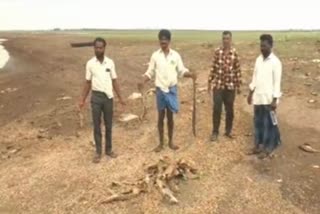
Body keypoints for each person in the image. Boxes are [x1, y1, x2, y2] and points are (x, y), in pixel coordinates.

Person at [138, 29, 197, 152]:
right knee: (160, 117)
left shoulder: (175, 56)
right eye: (161, 42)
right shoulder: (155, 56)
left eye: (165, 42)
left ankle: (170, 142)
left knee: (170, 117)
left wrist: (190, 74)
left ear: (169, 41)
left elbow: (181, 70)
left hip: (171, 90)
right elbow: (150, 72)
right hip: (160, 90)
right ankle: (161, 143)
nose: (163, 44)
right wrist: (143, 79)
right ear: (159, 41)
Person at [79, 37, 125, 163]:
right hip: (96, 98)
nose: (98, 50)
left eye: (100, 47)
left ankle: (109, 150)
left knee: (109, 125)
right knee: (97, 126)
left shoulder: (110, 63)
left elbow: (114, 80)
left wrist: (120, 97)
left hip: (108, 98)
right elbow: (88, 82)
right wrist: (82, 99)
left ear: (104, 48)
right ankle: (98, 152)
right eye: (96, 47)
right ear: (94, 48)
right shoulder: (90, 64)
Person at [247, 34, 282, 159]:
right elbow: (254, 78)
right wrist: (250, 93)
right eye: (261, 45)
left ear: (271, 46)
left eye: (265, 46)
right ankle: (257, 146)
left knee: (269, 125)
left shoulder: (276, 62)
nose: (262, 48)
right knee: (258, 124)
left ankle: (267, 148)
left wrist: (275, 99)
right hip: (258, 98)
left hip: (269, 100)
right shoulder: (258, 60)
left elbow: (277, 82)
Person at [208, 31, 242, 142]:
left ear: (231, 40)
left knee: (230, 110)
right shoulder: (218, 52)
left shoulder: (234, 53)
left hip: (230, 86)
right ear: (222, 40)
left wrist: (239, 85)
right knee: (217, 109)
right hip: (218, 85)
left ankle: (228, 131)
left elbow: (237, 69)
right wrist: (209, 82)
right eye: (224, 38)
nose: (225, 41)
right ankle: (215, 132)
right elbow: (213, 68)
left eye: (227, 38)